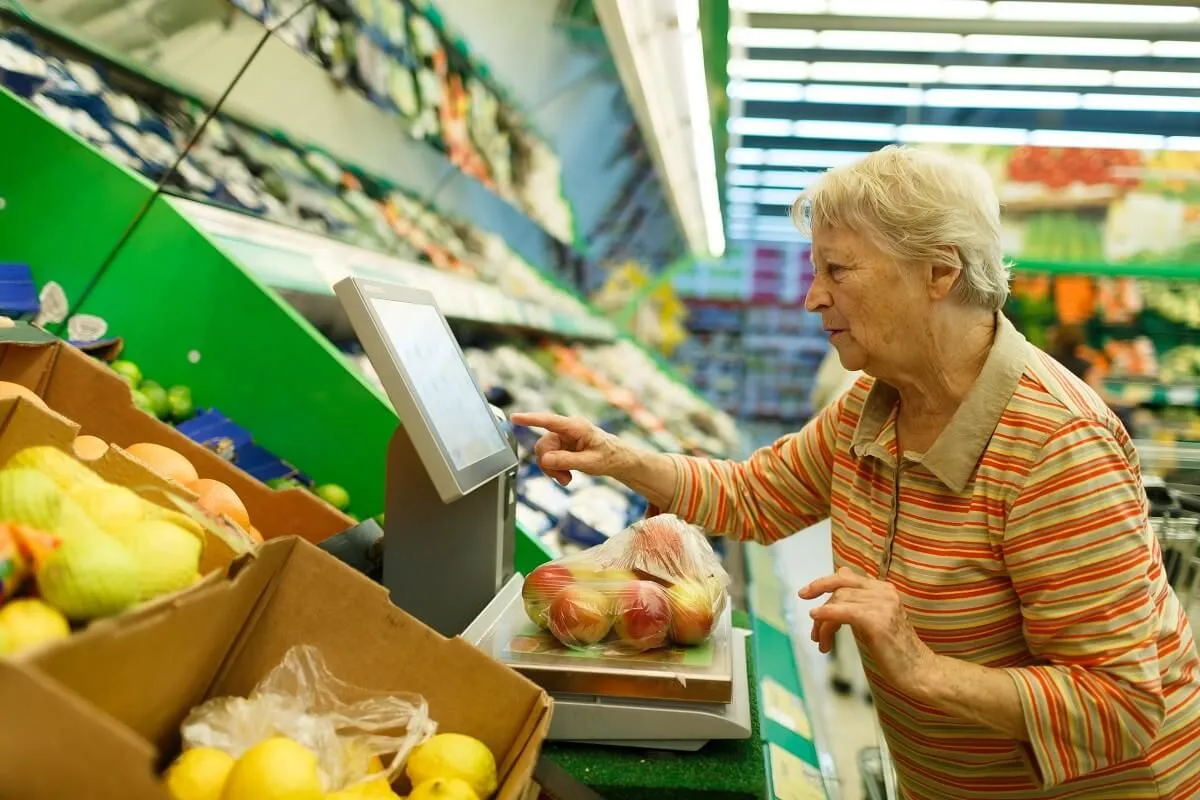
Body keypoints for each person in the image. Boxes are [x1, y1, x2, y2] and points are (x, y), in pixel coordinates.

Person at [514, 146, 1200, 799]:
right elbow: (754, 497)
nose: (812, 298)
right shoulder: (874, 408)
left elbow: (1123, 704)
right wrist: (620, 457)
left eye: (837, 271)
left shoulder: (1056, 448)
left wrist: (921, 667)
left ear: (940, 272)